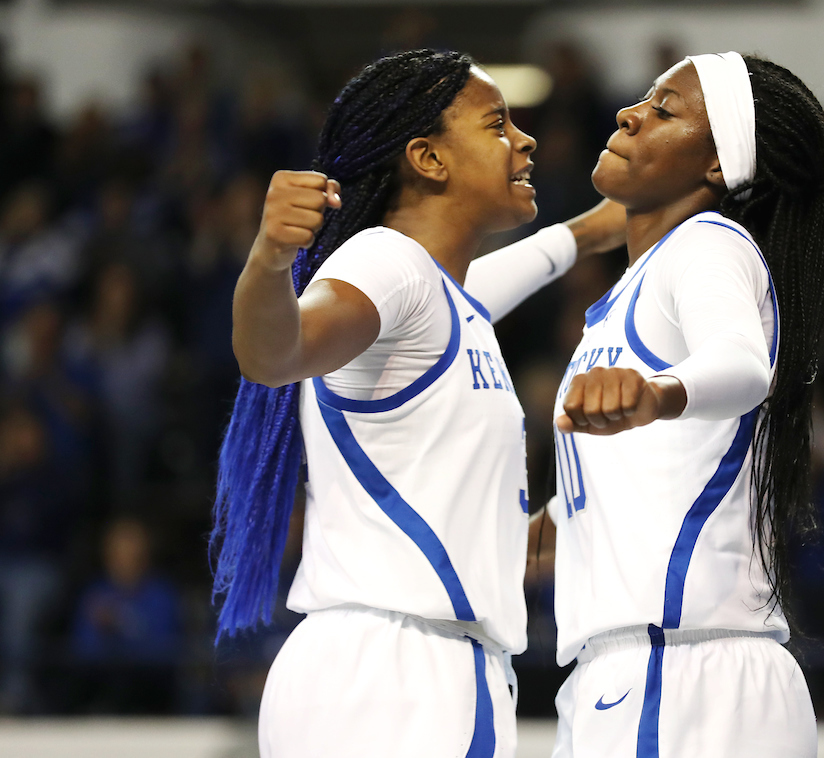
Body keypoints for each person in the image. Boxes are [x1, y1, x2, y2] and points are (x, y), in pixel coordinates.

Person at [210, 49, 623, 757]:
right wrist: (269, 258)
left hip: (397, 668)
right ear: (428, 159)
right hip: (399, 678)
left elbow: (544, 255)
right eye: (497, 124)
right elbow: (274, 355)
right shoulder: (389, 265)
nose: (522, 139)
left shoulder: (448, 301)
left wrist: (610, 224)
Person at [541, 52, 824, 757]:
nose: (630, 113)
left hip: (681, 676)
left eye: (665, 110)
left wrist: (657, 393)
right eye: (644, 98)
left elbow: (741, 363)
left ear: (716, 167)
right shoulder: (628, 295)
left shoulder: (706, 245)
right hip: (645, 672)